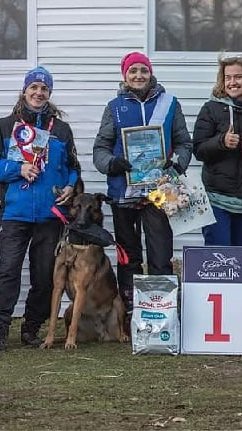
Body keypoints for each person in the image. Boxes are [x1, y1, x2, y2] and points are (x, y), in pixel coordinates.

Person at [0, 67, 81, 349]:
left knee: (44, 272)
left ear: (50, 94)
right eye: (34, 87)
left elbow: (73, 168)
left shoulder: (60, 129)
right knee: (8, 271)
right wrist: (18, 168)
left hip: (50, 215)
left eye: (44, 89)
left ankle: (32, 327)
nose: (39, 93)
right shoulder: (3, 126)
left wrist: (71, 187)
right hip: (15, 212)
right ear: (24, 90)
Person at [93, 52, 192, 303]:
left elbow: (183, 143)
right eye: (133, 71)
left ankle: (163, 309)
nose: (138, 75)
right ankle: (130, 308)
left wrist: (176, 164)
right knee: (129, 256)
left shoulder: (169, 103)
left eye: (143, 70)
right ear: (125, 75)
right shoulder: (114, 107)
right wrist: (112, 164)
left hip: (160, 193)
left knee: (160, 255)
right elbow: (100, 149)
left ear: (151, 73)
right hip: (123, 192)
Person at [194, 55, 242, 247]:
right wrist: (221, 142)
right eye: (228, 77)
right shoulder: (211, 109)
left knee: (241, 260)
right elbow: (199, 150)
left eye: (238, 77)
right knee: (218, 258)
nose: (232, 82)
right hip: (217, 200)